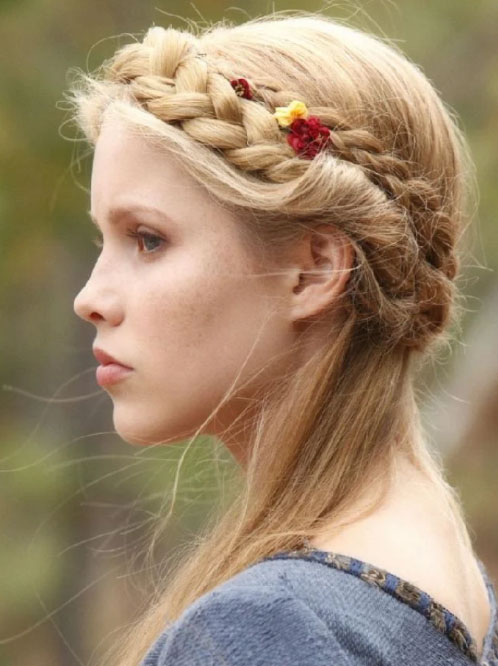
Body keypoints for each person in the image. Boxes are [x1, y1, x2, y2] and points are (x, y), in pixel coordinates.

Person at [66, 10, 497, 666]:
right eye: (103, 240)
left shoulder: (265, 630)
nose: (90, 298)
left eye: (148, 240)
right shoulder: (463, 597)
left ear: (314, 271)